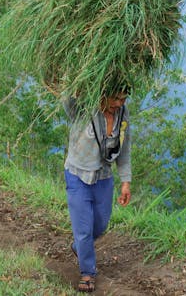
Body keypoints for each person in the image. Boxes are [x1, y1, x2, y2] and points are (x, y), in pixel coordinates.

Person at [63, 87, 131, 293]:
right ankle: (87, 272)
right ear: (102, 93)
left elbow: (124, 146)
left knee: (100, 224)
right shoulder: (83, 108)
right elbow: (67, 97)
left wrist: (125, 181)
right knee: (83, 229)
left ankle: (80, 247)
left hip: (103, 177)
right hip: (77, 176)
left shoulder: (122, 114)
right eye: (116, 98)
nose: (119, 103)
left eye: (124, 99)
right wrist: (76, 81)